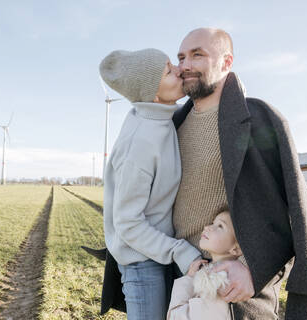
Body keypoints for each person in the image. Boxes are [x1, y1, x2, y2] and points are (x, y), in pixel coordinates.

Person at [170, 27, 307, 319]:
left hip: (235, 287)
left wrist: (251, 267)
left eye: (197, 55)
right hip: (180, 278)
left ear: (227, 62)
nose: (185, 65)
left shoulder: (260, 119)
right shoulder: (172, 125)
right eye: (180, 57)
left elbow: (292, 210)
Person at [99, 48, 201, 320]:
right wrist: (180, 251)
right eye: (168, 71)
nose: (179, 70)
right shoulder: (141, 142)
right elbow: (128, 222)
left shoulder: (161, 118)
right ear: (153, 93)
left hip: (157, 253)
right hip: (141, 262)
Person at [167, 210, 242, 320]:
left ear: (236, 249)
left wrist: (189, 279)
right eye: (212, 223)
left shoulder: (217, 283)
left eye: (220, 226)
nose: (207, 227)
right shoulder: (214, 277)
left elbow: (175, 317)